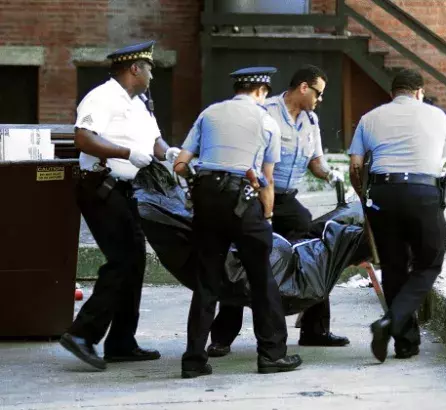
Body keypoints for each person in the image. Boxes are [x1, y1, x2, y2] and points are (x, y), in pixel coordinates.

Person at [207, 65, 349, 358]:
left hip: (288, 199)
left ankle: (315, 329)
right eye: (319, 93)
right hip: (257, 195)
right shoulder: (266, 111)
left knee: (314, 256)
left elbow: (316, 161)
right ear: (304, 88)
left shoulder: (311, 121)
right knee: (241, 264)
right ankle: (222, 337)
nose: (320, 100)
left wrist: (330, 173)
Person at [173, 66, 303, 378]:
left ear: (238, 88)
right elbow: (267, 181)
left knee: (207, 282)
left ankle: (193, 360)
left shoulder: (209, 114)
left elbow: (180, 164)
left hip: (206, 199)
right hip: (244, 202)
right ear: (263, 91)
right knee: (262, 280)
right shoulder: (267, 121)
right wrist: (268, 219)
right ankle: (271, 355)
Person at [59, 40, 182, 370]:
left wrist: (168, 152)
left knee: (135, 262)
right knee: (123, 259)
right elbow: (83, 137)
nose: (153, 73)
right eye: (150, 67)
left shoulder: (140, 102)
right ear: (134, 69)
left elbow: (154, 142)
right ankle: (82, 334)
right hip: (102, 186)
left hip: (128, 190)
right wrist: (126, 154)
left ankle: (122, 341)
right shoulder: (102, 97)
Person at [348, 68, 446, 363]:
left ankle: (406, 343)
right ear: (419, 92)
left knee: (394, 267)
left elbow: (355, 166)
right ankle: (390, 323)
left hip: (383, 195)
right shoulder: (437, 116)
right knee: (429, 263)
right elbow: (442, 162)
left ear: (392, 94)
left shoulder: (371, 117)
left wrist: (364, 201)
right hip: (423, 193)